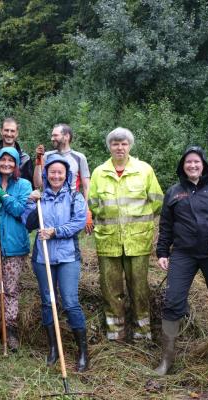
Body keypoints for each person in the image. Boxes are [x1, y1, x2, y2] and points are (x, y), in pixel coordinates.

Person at [153, 146, 208, 375]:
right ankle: (166, 361)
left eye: (196, 162)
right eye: (188, 162)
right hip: (183, 254)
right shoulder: (174, 192)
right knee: (173, 302)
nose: (193, 166)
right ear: (182, 166)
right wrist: (162, 252)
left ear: (204, 164)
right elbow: (166, 224)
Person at [88, 127, 163, 341]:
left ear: (129, 146)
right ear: (109, 146)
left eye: (123, 143)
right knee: (111, 289)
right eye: (115, 143)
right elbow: (93, 204)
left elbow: (157, 201)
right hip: (108, 240)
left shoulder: (144, 170)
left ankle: (142, 333)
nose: (119, 147)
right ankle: (115, 333)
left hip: (138, 240)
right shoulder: (99, 173)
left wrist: (140, 223)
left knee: (139, 288)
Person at [22, 154, 89, 372]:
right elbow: (28, 223)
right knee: (48, 302)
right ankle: (53, 348)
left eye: (60, 172)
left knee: (70, 302)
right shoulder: (40, 197)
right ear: (46, 175)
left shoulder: (74, 196)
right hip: (43, 258)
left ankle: (82, 352)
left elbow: (78, 222)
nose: (56, 175)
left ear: (67, 174)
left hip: (68, 257)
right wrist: (30, 202)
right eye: (52, 172)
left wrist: (56, 232)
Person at [0, 147, 32, 351]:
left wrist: (2, 196)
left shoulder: (24, 185)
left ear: (17, 164)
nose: (6, 164)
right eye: (3, 160)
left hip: (14, 246)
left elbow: (20, 210)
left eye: (11, 161)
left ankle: (10, 331)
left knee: (10, 290)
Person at [33, 124, 93, 234]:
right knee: (46, 237)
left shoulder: (79, 157)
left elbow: (86, 186)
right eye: (52, 136)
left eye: (55, 135)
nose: (52, 138)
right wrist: (38, 161)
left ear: (66, 136)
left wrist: (87, 210)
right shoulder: (46, 156)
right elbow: (38, 184)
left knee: (69, 239)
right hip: (49, 206)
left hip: (71, 206)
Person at [0, 117, 34, 185]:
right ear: (1, 131)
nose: (9, 134)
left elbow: (30, 186)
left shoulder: (25, 159)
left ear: (17, 133)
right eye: (6, 130)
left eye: (12, 131)